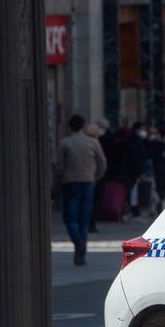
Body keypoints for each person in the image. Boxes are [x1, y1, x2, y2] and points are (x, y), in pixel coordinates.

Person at [54, 114, 107, 266]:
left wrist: (58, 182)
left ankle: (78, 242)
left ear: (69, 126)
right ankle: (81, 251)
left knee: (70, 218)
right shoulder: (93, 142)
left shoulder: (65, 143)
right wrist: (95, 177)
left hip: (70, 183)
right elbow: (102, 163)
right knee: (84, 220)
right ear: (83, 126)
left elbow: (59, 166)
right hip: (88, 183)